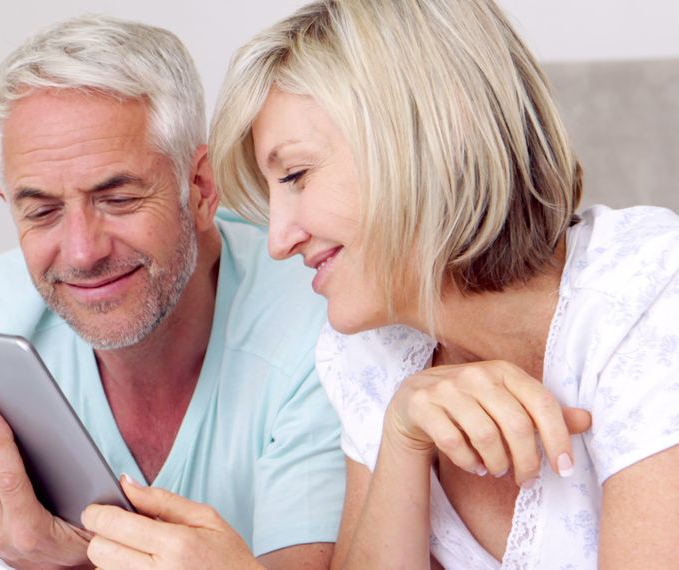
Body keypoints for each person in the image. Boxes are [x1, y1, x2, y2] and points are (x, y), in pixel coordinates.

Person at [80, 0, 679, 568]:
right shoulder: (369, 356)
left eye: (296, 175)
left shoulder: (648, 294)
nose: (279, 240)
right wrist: (402, 435)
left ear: (426, 140)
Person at [0, 14, 347, 570]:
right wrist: (10, 541)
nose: (81, 252)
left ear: (199, 187)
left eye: (117, 198)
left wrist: (77, 563)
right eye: (43, 211)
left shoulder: (316, 321)